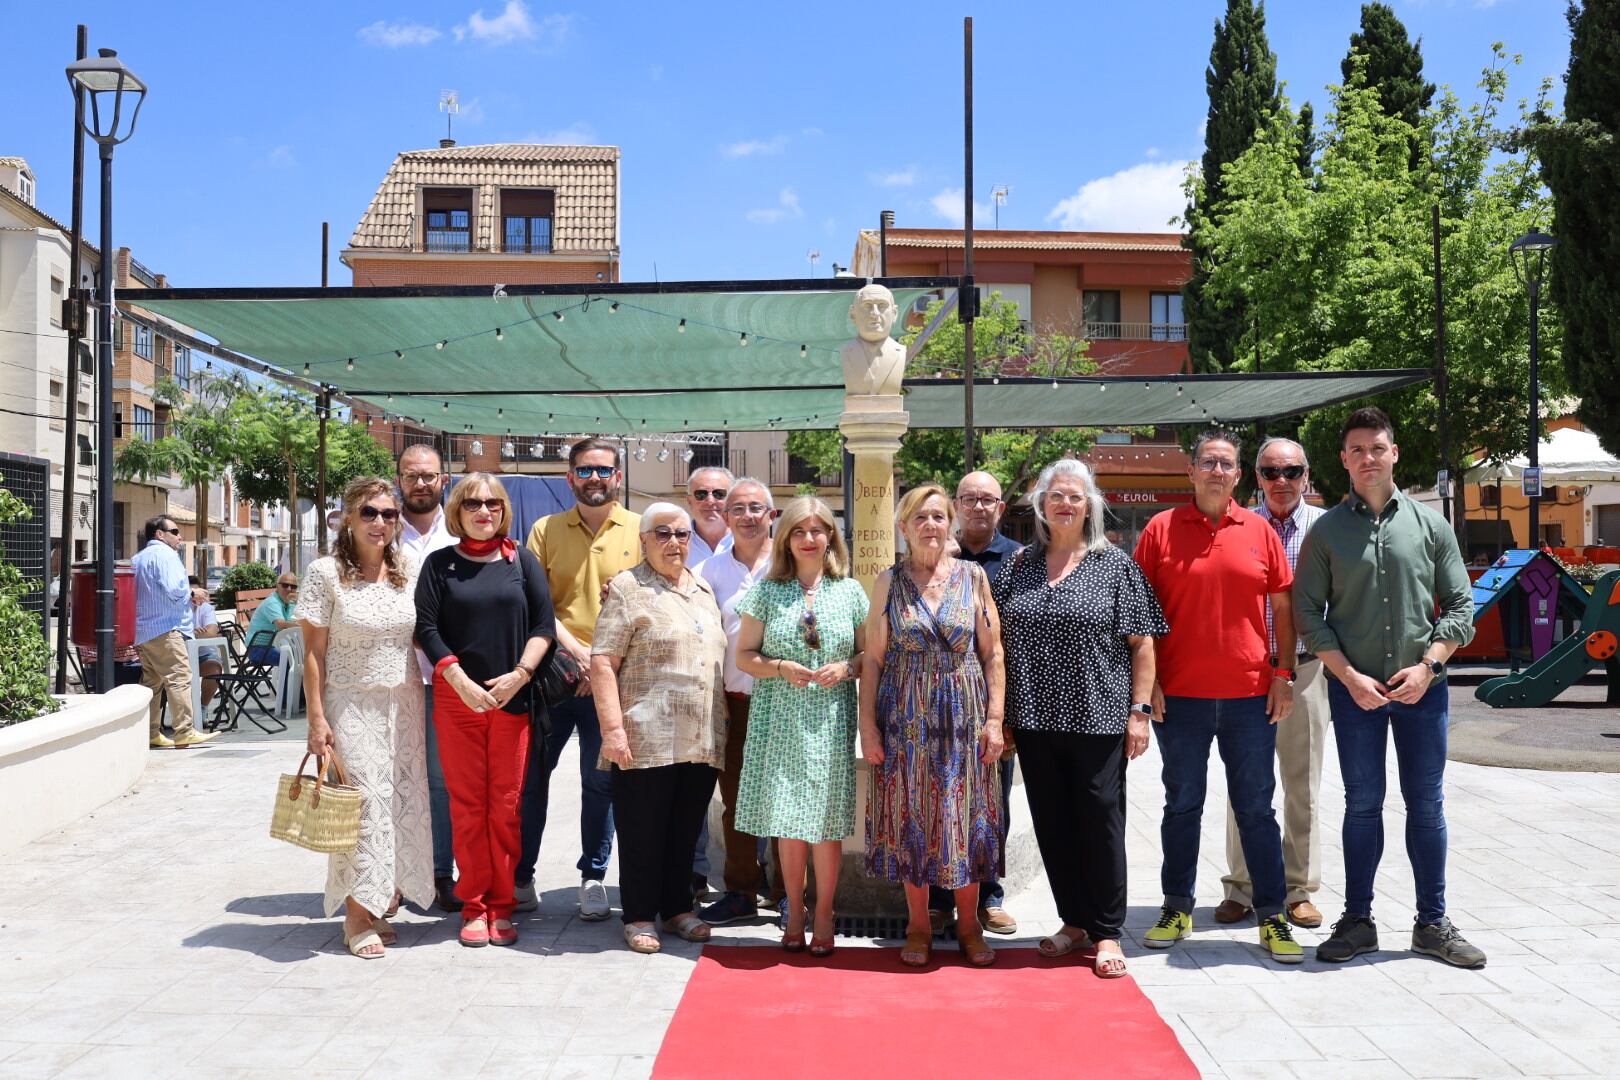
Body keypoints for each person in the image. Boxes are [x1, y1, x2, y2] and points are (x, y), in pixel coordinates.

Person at [1295, 407, 1484, 968]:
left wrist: (1428, 666)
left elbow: (1461, 605)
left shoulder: (1431, 526)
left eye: (1377, 448)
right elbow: (1308, 611)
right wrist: (1348, 677)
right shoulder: (1327, 530)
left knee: (1426, 805)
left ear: (1394, 453)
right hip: (1356, 697)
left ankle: (1432, 922)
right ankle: (1357, 921)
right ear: (1344, 460)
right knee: (1361, 806)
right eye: (1356, 450)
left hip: (1423, 692)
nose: (1367, 458)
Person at [1133, 429, 1303, 964]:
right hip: (1178, 698)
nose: (1216, 471)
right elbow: (1138, 615)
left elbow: (1283, 611)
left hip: (1251, 697)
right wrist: (1150, 682)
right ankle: (1176, 905)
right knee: (1182, 805)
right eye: (1207, 462)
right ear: (1191, 471)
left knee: (1256, 808)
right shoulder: (1160, 530)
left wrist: (1284, 674)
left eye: (1225, 463)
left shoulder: (1259, 531)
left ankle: (1272, 915)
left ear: (1237, 476)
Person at [997, 460, 1166, 978]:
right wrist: (999, 714)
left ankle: (1108, 931)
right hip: (1034, 721)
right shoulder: (1018, 567)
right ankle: (1073, 922)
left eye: (1075, 496)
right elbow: (995, 647)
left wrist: (1139, 713)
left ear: (1089, 505)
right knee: (1053, 823)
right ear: (1041, 505)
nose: (1064, 504)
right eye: (1055, 496)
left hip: (1098, 718)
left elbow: (1143, 643)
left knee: (1100, 820)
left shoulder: (1115, 565)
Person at [860, 484, 1006, 968]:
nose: (930, 525)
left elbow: (993, 654)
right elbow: (875, 661)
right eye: (920, 517)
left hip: (964, 718)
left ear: (951, 525)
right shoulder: (888, 582)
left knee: (966, 818)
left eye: (939, 517)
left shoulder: (972, 578)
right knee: (912, 819)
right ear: (903, 526)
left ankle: (968, 925)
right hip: (906, 717)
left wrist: (995, 720)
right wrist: (869, 727)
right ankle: (919, 925)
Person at [417, 473, 555, 948]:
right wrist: (458, 678)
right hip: (458, 703)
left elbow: (544, 626)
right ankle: (473, 905)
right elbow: (427, 628)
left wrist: (521, 673)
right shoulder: (438, 565)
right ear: (457, 509)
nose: (484, 511)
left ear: (503, 510)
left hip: (512, 701)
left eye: (493, 503)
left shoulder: (523, 562)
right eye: (473, 503)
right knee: (468, 806)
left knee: (506, 806)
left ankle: (502, 904)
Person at [300, 477, 434, 959]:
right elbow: (312, 652)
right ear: (347, 519)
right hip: (350, 703)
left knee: (398, 800)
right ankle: (356, 916)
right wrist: (317, 719)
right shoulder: (326, 573)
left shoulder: (409, 569)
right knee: (363, 805)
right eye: (369, 513)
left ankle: (380, 901)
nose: (380, 523)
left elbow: (426, 633)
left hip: (404, 703)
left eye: (389, 514)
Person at [735, 497, 868, 957]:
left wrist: (847, 669)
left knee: (828, 823)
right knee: (789, 822)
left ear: (831, 535)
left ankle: (826, 911)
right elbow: (744, 657)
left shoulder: (850, 591)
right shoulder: (767, 591)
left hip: (830, 719)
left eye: (818, 530)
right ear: (785, 539)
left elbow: (871, 654)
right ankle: (794, 911)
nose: (810, 539)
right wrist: (780, 667)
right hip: (781, 719)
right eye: (799, 531)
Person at [593, 503, 728, 953]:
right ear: (644, 540)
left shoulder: (703, 588)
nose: (675, 542)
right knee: (642, 830)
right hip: (644, 735)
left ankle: (677, 909)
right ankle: (637, 916)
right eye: (664, 533)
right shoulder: (628, 588)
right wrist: (613, 729)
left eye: (683, 535)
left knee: (684, 829)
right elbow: (603, 662)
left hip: (699, 735)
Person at [521, 438, 640, 920]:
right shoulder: (545, 530)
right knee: (533, 781)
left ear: (618, 476)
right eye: (585, 471)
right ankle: (521, 874)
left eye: (604, 470)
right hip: (555, 677)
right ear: (570, 477)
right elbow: (536, 604)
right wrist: (580, 654)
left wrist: (603, 664)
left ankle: (593, 877)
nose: (595, 478)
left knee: (601, 785)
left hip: (615, 683)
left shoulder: (640, 529)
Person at [1215, 438, 1329, 930]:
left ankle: (1298, 888)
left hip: (1304, 670)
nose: (1281, 481)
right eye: (1270, 472)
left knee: (1301, 783)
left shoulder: (1326, 529)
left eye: (1291, 471)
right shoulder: (1241, 525)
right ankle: (1241, 886)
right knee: (1245, 785)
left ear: (1307, 475)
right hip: (1246, 670)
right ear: (1255, 477)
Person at [926, 470, 1023, 937]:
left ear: (1001, 508)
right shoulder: (939, 557)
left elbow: (1009, 643)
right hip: (938, 707)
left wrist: (1003, 714)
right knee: (941, 802)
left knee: (991, 804)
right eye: (970, 499)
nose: (979, 506)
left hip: (994, 704)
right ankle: (942, 901)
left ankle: (988, 896)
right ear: (956, 506)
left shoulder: (1021, 560)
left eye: (988, 500)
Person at [694, 479, 778, 926]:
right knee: (737, 801)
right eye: (738, 508)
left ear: (772, 515)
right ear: (726, 518)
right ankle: (742, 891)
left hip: (785, 700)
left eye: (756, 508)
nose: (747, 516)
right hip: (733, 703)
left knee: (786, 800)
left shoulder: (790, 565)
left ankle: (785, 893)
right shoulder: (709, 572)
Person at [395, 443, 462, 914]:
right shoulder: (378, 528)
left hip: (445, 678)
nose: (421, 483)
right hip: (392, 678)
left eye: (429, 475)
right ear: (399, 479)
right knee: (392, 777)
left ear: (444, 479)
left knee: (440, 782)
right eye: (411, 475)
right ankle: (392, 876)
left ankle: (441, 874)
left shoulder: (459, 533)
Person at [132, 515, 215, 749]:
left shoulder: (137, 559)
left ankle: (149, 733)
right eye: (175, 531)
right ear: (160, 534)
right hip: (166, 628)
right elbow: (173, 589)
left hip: (143, 631)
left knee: (152, 682)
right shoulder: (166, 555)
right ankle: (184, 731)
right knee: (180, 676)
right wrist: (193, 594)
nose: (180, 536)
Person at [685, 465, 735, 566]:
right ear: (690, 501)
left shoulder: (748, 542)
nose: (710, 501)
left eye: (719, 494)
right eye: (701, 494)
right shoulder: (676, 544)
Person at [245, 572, 299, 664]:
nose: (289, 589)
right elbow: (281, 624)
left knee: (302, 656)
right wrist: (302, 625)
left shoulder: (289, 602)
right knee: (290, 659)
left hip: (275, 645)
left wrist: (300, 602)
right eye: (285, 585)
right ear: (277, 587)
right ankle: (285, 679)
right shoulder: (272, 602)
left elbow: (298, 619)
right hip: (257, 648)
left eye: (293, 587)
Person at [189, 577, 225, 713]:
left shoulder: (205, 608)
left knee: (214, 669)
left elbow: (212, 632)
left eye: (199, 593)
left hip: (203, 655)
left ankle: (202, 708)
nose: (196, 598)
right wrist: (194, 633)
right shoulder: (177, 609)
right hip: (181, 655)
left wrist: (190, 633)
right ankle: (185, 713)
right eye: (193, 593)